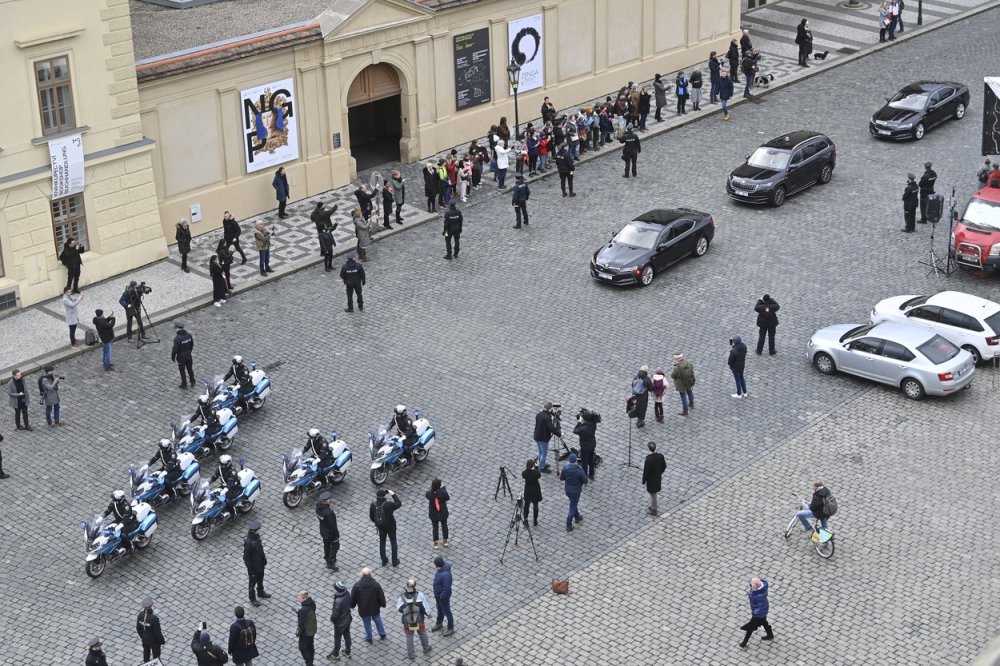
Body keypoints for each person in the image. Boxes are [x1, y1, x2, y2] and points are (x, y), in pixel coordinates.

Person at [396, 578, 432, 659]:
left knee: (409, 636)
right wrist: (428, 614)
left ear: (407, 586)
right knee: (422, 633)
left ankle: (411, 654)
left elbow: (399, 608)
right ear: (415, 586)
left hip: (407, 622)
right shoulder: (420, 595)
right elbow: (425, 607)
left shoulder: (402, 597)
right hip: (419, 620)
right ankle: (426, 648)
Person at [351, 567, 388, 643]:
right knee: (377, 620)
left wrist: (352, 605)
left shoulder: (357, 586)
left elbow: (353, 598)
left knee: (366, 623)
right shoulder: (376, 585)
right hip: (374, 607)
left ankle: (369, 638)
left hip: (363, 609)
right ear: (370, 574)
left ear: (362, 575)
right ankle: (382, 634)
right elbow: (381, 596)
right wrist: (383, 604)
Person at [371, 488, 402, 566]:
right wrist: (393, 494)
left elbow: (371, 517)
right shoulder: (388, 504)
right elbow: (398, 503)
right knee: (393, 542)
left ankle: (384, 560)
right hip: (391, 526)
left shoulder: (373, 505)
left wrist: (378, 522)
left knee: (382, 542)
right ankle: (394, 561)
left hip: (381, 527)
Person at [739, 577, 774, 647]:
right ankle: (770, 635)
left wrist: (755, 614)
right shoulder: (762, 589)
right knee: (764, 622)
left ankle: (744, 642)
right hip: (763, 610)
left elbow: (759, 606)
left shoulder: (756, 595)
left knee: (750, 628)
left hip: (759, 613)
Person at [558, 453, 588, 532]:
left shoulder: (565, 468)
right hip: (576, 491)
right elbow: (585, 481)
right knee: (572, 506)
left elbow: (561, 478)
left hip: (567, 490)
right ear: (575, 461)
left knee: (573, 503)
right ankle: (568, 524)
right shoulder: (579, 470)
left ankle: (577, 517)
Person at [243, 520, 269, 607]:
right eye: (258, 530)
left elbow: (260, 550)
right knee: (252, 584)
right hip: (254, 568)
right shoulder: (249, 542)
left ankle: (260, 592)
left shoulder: (257, 537)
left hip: (260, 565)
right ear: (255, 530)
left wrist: (264, 559)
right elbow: (246, 558)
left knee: (260, 580)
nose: (259, 531)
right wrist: (250, 571)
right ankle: (252, 598)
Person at [104, 489, 136, 555]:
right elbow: (108, 510)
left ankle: (131, 546)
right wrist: (101, 517)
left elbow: (126, 518)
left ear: (120, 499)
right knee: (107, 529)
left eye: (115, 499)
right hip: (119, 520)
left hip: (129, 522)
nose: (113, 500)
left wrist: (121, 525)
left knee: (123, 534)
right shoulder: (114, 503)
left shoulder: (126, 506)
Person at [533, 402, 561, 473]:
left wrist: (550, 413)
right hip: (543, 438)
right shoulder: (547, 417)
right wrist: (559, 434)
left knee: (540, 451)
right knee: (544, 453)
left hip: (537, 436)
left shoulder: (538, 415)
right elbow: (551, 428)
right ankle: (542, 467)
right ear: (550, 409)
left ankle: (541, 464)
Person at [136, 596, 166, 662]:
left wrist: (143, 636)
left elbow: (138, 628)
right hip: (154, 641)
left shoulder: (140, 615)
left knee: (146, 654)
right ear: (151, 605)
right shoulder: (154, 618)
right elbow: (157, 633)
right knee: (156, 657)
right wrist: (162, 641)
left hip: (145, 640)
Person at [328, 580, 353, 660]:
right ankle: (348, 651)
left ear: (338, 590)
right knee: (347, 634)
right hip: (347, 619)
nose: (332, 590)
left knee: (337, 638)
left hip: (340, 623)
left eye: (334, 589)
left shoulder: (338, 601)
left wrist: (332, 619)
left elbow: (335, 614)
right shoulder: (347, 593)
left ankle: (335, 654)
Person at [316, 490, 340, 570]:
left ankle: (327, 558)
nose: (331, 500)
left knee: (326, 545)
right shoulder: (329, 513)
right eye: (330, 499)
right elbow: (333, 526)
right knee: (335, 546)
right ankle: (330, 562)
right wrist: (337, 535)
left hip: (323, 530)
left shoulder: (318, 508)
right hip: (330, 533)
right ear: (326, 501)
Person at [642, 441, 667, 516]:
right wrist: (659, 473)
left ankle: (654, 509)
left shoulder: (648, 460)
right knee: (653, 493)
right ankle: (653, 506)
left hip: (651, 480)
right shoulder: (660, 456)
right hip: (658, 477)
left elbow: (646, 472)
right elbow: (664, 466)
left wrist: (644, 480)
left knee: (653, 494)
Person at [431, 556, 454, 636]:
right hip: (438, 596)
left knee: (447, 612)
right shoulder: (440, 570)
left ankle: (450, 628)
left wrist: (441, 596)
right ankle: (439, 623)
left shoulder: (445, 574)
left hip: (443, 597)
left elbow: (447, 587)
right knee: (439, 610)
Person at [573, 410, 598, 480]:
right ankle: (591, 474)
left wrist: (579, 422)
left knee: (584, 462)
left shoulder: (584, 429)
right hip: (592, 444)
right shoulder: (593, 423)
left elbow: (575, 430)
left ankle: (584, 477)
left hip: (585, 447)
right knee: (591, 459)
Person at [296, 591, 318, 666]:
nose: (297, 598)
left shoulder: (303, 610)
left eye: (299, 597)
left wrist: (297, 633)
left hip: (306, 633)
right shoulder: (312, 603)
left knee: (303, 648)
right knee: (310, 646)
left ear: (304, 598)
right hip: (312, 630)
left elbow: (301, 625)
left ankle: (309, 664)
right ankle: (311, 662)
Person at [426, 478, 449, 549]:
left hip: (434, 513)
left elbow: (427, 495)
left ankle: (435, 543)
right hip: (443, 512)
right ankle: (445, 541)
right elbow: (447, 498)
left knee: (435, 527)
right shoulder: (443, 492)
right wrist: (443, 488)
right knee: (444, 525)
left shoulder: (429, 493)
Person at [171, 322, 195, 388]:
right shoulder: (189, 335)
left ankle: (184, 384)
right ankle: (192, 381)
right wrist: (189, 352)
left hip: (181, 357)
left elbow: (175, 350)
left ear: (178, 328)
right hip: (188, 355)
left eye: (175, 328)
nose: (175, 330)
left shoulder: (177, 339)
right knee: (190, 369)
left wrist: (173, 357)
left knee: (182, 371)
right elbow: (192, 345)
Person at [521, 458, 542, 525]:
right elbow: (539, 475)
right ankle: (535, 520)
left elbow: (524, 474)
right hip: (535, 490)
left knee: (526, 505)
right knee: (535, 506)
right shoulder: (536, 472)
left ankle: (525, 519)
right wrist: (536, 467)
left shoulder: (524, 473)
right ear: (533, 465)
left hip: (528, 490)